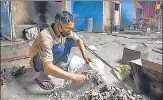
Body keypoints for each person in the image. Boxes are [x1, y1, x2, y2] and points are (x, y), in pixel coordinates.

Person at [29, 11, 90, 90]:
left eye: (71, 28)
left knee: (70, 40)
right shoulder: (45, 37)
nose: (69, 31)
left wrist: (84, 56)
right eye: (67, 28)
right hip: (37, 62)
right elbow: (48, 66)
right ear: (58, 23)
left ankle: (58, 65)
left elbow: (79, 40)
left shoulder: (64, 30)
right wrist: (73, 77)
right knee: (59, 47)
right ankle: (42, 76)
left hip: (50, 56)